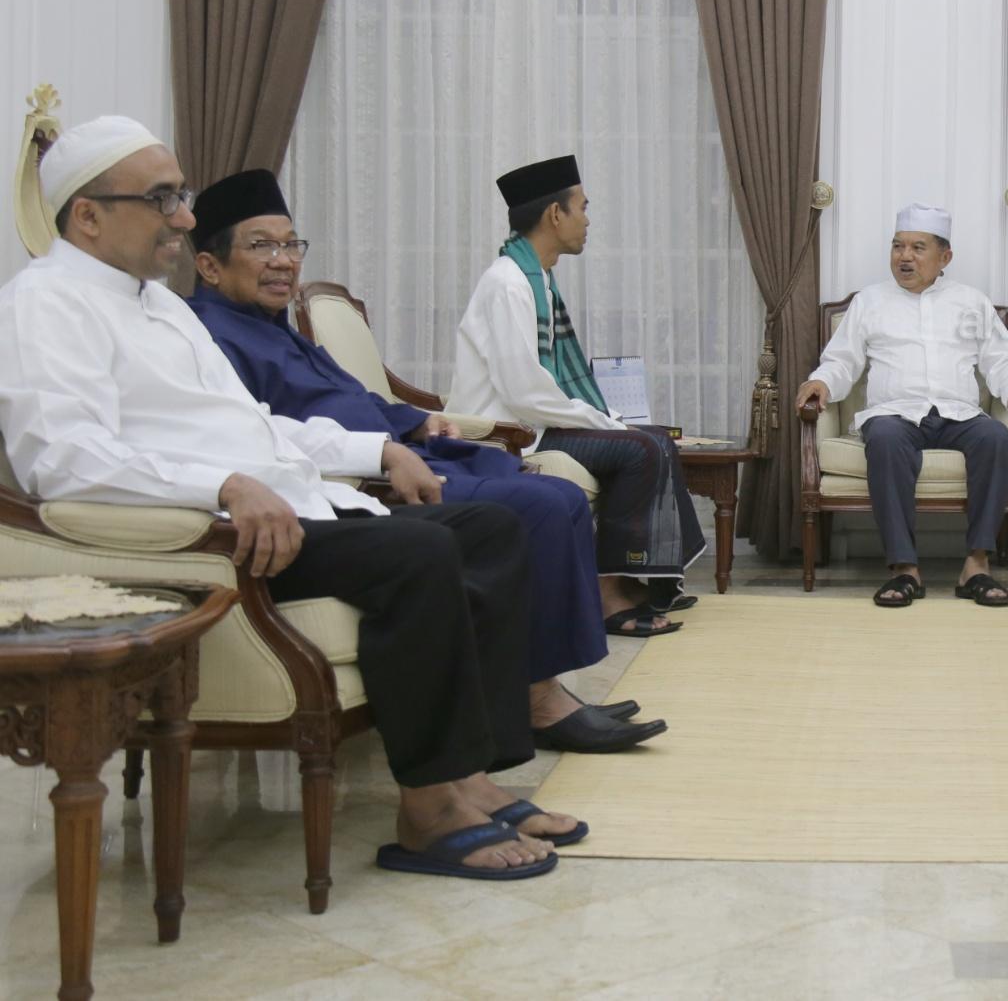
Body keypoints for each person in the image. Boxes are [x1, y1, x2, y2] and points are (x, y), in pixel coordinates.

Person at [0, 116, 583, 880]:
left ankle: (471, 778)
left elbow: (255, 424)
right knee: (422, 548)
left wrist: (377, 449)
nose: (184, 217)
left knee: (493, 527)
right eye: (163, 198)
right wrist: (221, 485)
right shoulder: (45, 304)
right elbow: (62, 460)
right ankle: (429, 813)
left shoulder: (160, 306)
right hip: (215, 536)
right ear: (88, 214)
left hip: (282, 506)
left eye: (181, 196)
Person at [186, 168, 664, 754]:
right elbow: (267, 434)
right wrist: (386, 449)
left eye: (291, 245)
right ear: (209, 265)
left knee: (558, 496)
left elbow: (356, 398)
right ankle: (539, 704)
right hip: (361, 480)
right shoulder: (210, 336)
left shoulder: (272, 326)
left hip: (404, 449)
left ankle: (543, 688)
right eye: (262, 246)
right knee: (543, 504)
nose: (284, 261)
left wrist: (414, 420)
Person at [449, 155, 705, 637]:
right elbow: (523, 391)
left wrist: (604, 418)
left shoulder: (537, 278)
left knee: (656, 438)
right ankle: (608, 596)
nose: (587, 220)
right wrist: (602, 420)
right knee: (642, 448)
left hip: (537, 422)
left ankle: (643, 580)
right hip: (509, 432)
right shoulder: (509, 283)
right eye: (582, 207)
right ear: (555, 214)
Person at [794, 203, 1008, 607]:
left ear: (945, 257)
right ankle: (903, 569)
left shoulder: (971, 302)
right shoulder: (870, 301)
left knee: (996, 438)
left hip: (958, 414)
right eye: (898, 246)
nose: (904, 257)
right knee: (886, 439)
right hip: (893, 414)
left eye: (917, 248)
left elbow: (1001, 358)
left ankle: (976, 565)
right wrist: (822, 380)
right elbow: (842, 360)